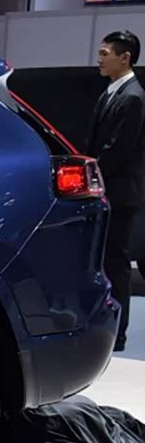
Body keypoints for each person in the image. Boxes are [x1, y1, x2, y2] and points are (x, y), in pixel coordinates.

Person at [86, 30, 145, 352]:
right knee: (105, 262)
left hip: (120, 195)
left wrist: (91, 178)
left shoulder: (132, 97)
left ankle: (118, 333)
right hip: (108, 191)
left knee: (116, 263)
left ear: (125, 58)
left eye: (105, 53)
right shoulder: (111, 92)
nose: (99, 59)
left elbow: (118, 151)